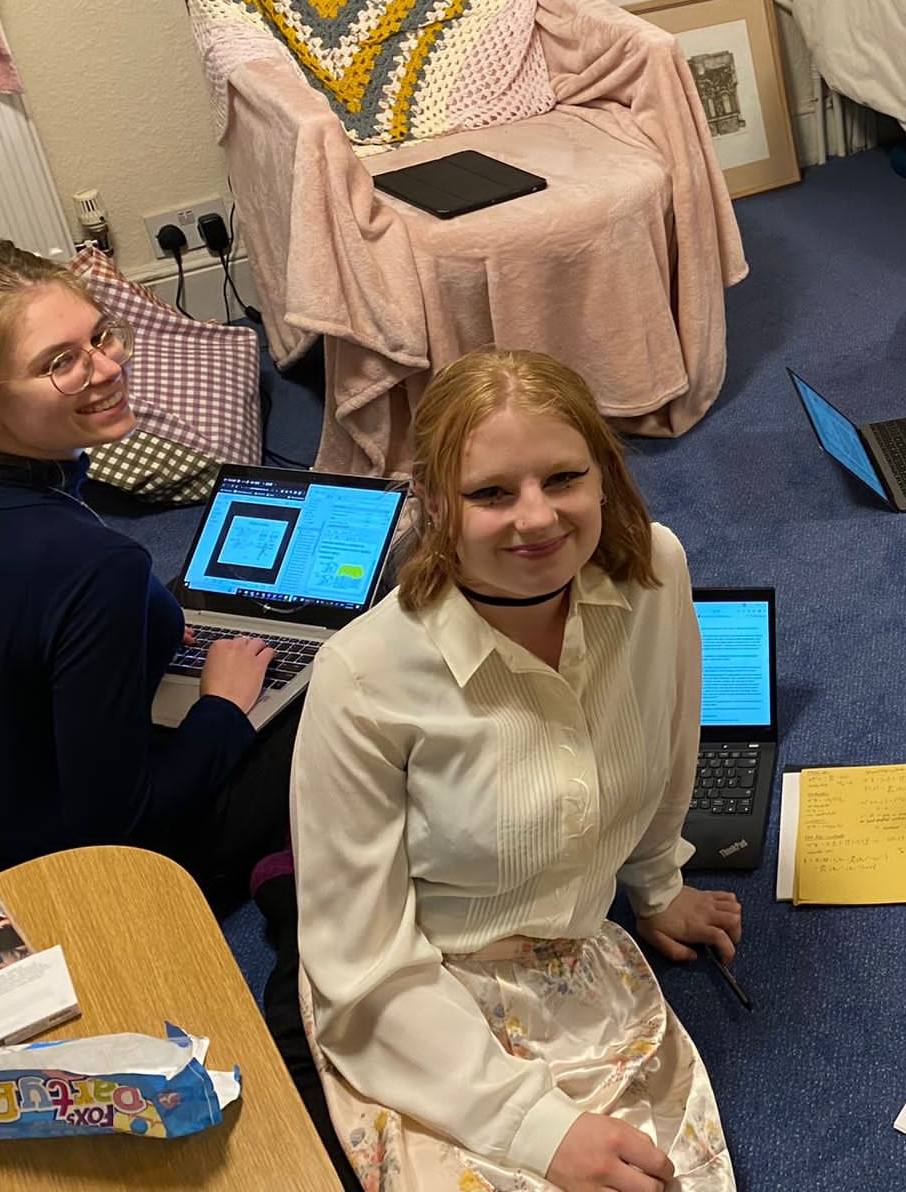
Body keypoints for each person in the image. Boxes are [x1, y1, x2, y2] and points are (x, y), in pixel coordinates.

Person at [291, 349, 741, 1192]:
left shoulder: (657, 572)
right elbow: (361, 966)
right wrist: (536, 1127)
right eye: (491, 493)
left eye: (563, 478)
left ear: (604, 476)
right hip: (419, 998)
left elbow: (672, 744)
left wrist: (656, 884)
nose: (536, 519)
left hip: (578, 960)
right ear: (429, 502)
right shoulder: (362, 675)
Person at [0, 242, 285, 910]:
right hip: (78, 880)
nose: (109, 365)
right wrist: (221, 705)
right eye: (60, 363)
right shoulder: (96, 568)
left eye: (98, 336)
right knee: (328, 703)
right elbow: (118, 828)